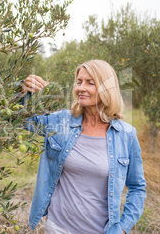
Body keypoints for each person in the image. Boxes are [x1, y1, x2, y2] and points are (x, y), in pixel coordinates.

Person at [18, 60, 146, 234]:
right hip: (57, 227)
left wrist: (123, 228)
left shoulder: (126, 135)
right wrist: (24, 92)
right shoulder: (61, 121)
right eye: (79, 82)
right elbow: (20, 120)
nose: (80, 88)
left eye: (90, 83)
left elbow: (137, 187)